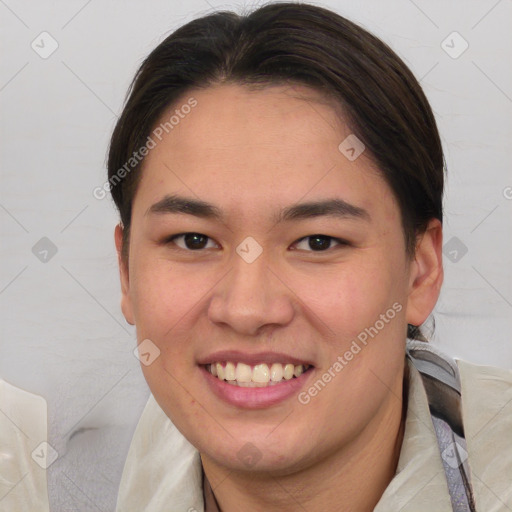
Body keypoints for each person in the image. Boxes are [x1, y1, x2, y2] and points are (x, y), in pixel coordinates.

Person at [107, 3, 512, 511]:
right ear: (126, 272)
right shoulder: (129, 447)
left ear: (420, 272)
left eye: (318, 242)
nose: (246, 310)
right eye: (193, 241)